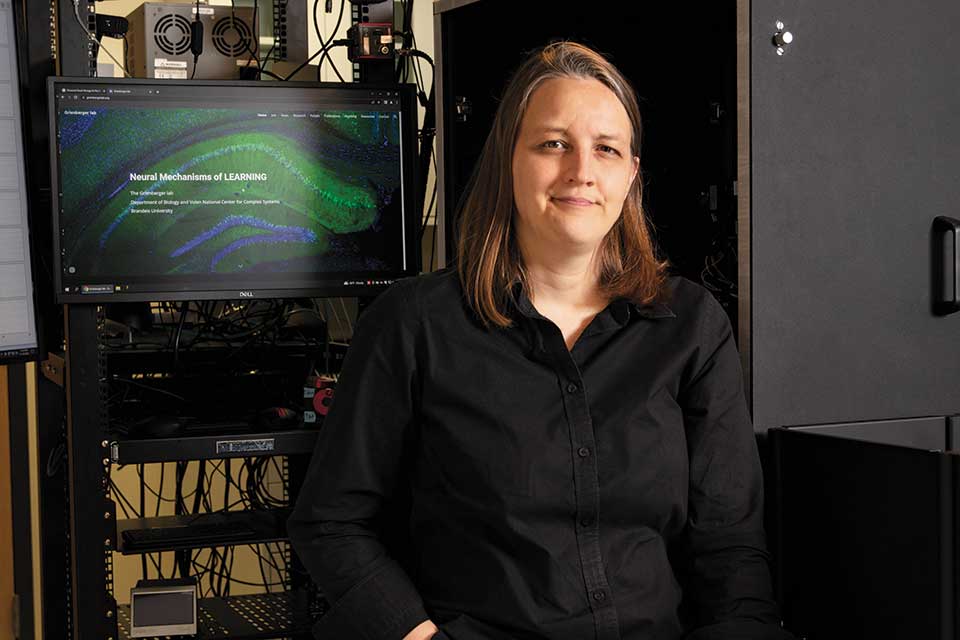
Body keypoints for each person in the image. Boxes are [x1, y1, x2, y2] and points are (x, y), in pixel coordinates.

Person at [287, 41, 792, 640]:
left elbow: (731, 546)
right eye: (554, 143)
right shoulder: (413, 324)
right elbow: (332, 523)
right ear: (509, 159)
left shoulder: (691, 325)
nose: (581, 169)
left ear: (630, 174)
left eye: (606, 149)